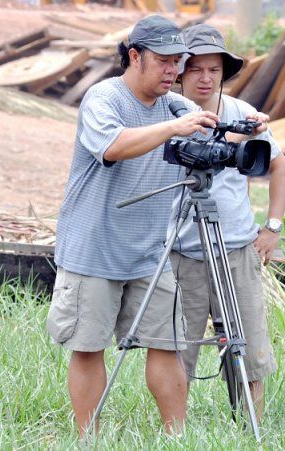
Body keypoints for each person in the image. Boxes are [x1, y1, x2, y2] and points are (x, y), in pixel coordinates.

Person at [46, 15, 220, 437]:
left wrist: (245, 128)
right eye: (163, 61)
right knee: (88, 348)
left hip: (150, 252)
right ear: (135, 56)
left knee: (168, 344)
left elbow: (207, 131)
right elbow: (114, 146)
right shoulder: (102, 98)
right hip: (94, 248)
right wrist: (175, 128)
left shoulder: (175, 105)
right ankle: (90, 437)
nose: (173, 72)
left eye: (178, 62)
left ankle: (176, 437)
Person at [168, 24, 285, 420]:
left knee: (249, 343)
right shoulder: (166, 112)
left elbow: (280, 169)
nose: (205, 78)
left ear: (224, 72)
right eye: (196, 69)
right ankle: (176, 429)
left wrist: (272, 228)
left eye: (214, 70)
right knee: (178, 347)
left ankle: (249, 424)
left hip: (236, 247)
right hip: (181, 248)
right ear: (181, 71)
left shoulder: (243, 114)